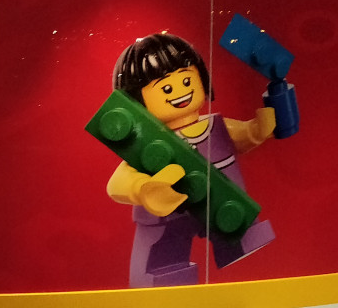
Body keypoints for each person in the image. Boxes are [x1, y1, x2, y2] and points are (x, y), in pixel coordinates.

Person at [106, 32, 276, 287]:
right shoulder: (149, 145)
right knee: (160, 271)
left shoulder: (216, 127)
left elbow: (244, 135)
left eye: (187, 80)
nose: (180, 92)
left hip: (224, 209)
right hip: (167, 218)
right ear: (135, 99)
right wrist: (142, 189)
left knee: (243, 243)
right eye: (166, 87)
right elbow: (118, 182)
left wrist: (260, 128)